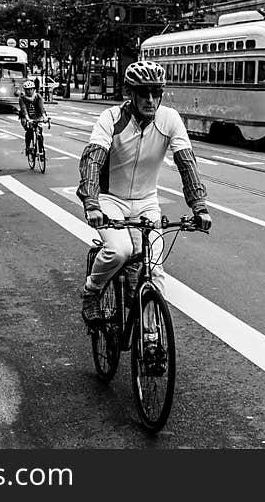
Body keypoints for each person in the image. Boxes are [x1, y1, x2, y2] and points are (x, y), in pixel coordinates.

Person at [76, 60, 212, 333]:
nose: (151, 100)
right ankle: (92, 290)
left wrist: (199, 207)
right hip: (110, 199)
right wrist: (92, 203)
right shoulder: (111, 119)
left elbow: (186, 163)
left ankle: (151, 335)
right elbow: (92, 160)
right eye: (144, 92)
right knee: (120, 251)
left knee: (154, 268)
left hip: (146, 201)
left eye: (156, 92)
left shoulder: (170, 119)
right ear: (130, 92)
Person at [18, 79, 48, 155]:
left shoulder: (38, 96)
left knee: (39, 133)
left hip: (37, 116)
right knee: (30, 131)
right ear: (25, 90)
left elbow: (41, 107)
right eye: (27, 90)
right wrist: (27, 118)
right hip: (26, 116)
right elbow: (23, 108)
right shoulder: (22, 98)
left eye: (31, 89)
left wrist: (44, 116)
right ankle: (28, 147)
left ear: (34, 89)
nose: (29, 91)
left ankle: (41, 150)